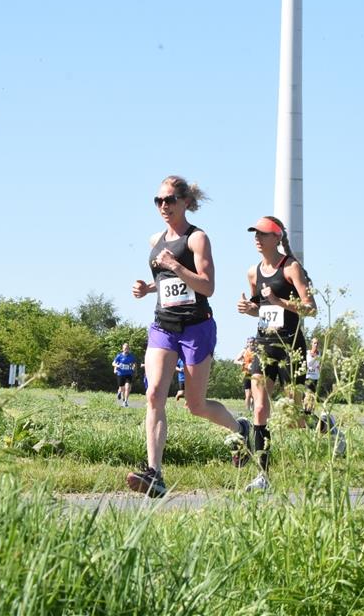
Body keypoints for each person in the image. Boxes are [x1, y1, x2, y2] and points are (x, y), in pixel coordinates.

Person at [126, 175, 250, 498]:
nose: (163, 206)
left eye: (169, 200)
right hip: (163, 326)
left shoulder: (197, 239)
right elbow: (167, 283)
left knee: (195, 405)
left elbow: (207, 286)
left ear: (184, 203)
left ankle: (241, 430)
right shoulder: (155, 240)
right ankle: (155, 473)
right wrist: (147, 288)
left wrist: (176, 266)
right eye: (158, 201)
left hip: (196, 327)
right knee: (154, 393)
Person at [237, 215, 328, 492]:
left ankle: (326, 426)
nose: (257, 238)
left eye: (263, 234)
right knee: (260, 408)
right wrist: (248, 308)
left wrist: (280, 302)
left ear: (277, 237)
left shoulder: (291, 268)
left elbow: (310, 308)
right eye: (255, 233)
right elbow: (259, 306)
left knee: (294, 417)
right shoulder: (253, 271)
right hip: (264, 344)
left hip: (291, 344)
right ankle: (262, 476)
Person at [234, 337, 257, 413]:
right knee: (248, 395)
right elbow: (235, 360)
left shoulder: (257, 352)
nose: (251, 344)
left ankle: (253, 410)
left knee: (254, 394)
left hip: (255, 374)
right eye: (250, 342)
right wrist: (242, 363)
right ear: (247, 343)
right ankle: (247, 411)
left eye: (253, 342)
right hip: (246, 374)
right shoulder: (244, 351)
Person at [113, 343, 138, 407]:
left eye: (127, 348)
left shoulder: (131, 356)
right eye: (125, 348)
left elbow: (134, 364)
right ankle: (119, 392)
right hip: (121, 374)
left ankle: (125, 401)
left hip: (129, 374)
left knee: (127, 388)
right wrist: (117, 366)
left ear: (129, 349)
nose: (126, 350)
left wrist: (135, 371)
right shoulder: (119, 356)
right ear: (122, 349)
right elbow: (113, 363)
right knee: (122, 388)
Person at [304, 337, 322, 408]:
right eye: (314, 343)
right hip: (309, 377)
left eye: (317, 343)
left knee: (313, 396)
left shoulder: (319, 353)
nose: (316, 345)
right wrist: (315, 358)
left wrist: (317, 364)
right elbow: (309, 364)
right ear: (311, 344)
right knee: (307, 395)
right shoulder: (308, 352)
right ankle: (305, 410)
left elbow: (318, 365)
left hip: (316, 377)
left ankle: (311, 412)